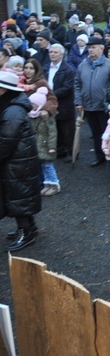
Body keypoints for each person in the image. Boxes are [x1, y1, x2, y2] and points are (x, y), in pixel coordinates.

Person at [0, 70, 42, 252]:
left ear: (3, 90)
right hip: (19, 160)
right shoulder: (11, 106)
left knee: (18, 197)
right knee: (20, 196)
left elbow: (6, 141)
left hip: (17, 162)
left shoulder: (13, 111)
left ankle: (27, 232)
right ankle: (29, 228)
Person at [74, 36, 110, 167]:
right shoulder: (83, 65)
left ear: (101, 49)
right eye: (89, 48)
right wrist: (79, 102)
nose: (91, 50)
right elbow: (77, 84)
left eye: (93, 47)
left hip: (104, 107)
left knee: (108, 132)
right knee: (95, 132)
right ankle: (99, 156)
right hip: (88, 105)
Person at [27, 87, 60, 196]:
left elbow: (52, 133)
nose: (32, 105)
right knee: (43, 166)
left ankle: (55, 184)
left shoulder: (47, 117)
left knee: (48, 166)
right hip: (38, 145)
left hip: (45, 145)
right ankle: (47, 184)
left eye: (33, 103)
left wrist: (52, 147)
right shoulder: (33, 115)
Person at [46, 44, 76, 161]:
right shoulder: (45, 67)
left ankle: (71, 152)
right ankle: (59, 150)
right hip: (50, 103)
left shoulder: (68, 70)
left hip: (64, 104)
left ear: (62, 55)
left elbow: (67, 88)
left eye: (55, 52)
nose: (52, 54)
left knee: (68, 131)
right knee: (55, 128)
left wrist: (50, 95)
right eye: (51, 52)